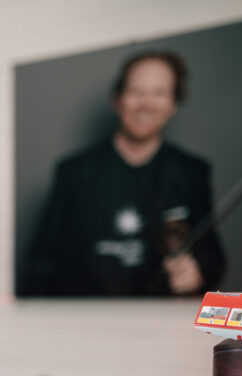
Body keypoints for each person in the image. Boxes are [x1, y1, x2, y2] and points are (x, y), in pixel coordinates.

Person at [25, 50, 225, 297]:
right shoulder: (73, 172)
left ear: (173, 104)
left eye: (159, 93)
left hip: (159, 318)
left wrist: (197, 274)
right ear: (117, 99)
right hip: (84, 316)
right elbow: (41, 265)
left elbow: (213, 258)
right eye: (136, 91)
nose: (146, 103)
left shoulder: (191, 172)